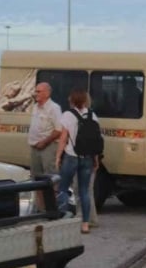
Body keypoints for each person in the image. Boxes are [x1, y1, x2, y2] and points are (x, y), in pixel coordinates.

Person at [55, 89, 102, 234]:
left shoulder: (68, 115)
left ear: (72, 100)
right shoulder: (92, 115)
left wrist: (58, 157)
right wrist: (95, 158)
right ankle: (85, 224)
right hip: (87, 157)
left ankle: (61, 220)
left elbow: (63, 138)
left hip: (71, 156)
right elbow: (95, 139)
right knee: (84, 191)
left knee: (62, 188)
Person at [27, 82, 66, 205]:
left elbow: (58, 130)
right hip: (34, 147)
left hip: (48, 147)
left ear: (47, 93)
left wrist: (44, 142)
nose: (36, 94)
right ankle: (40, 208)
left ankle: (52, 207)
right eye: (36, 91)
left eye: (39, 91)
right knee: (36, 179)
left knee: (50, 178)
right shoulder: (35, 107)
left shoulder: (54, 108)